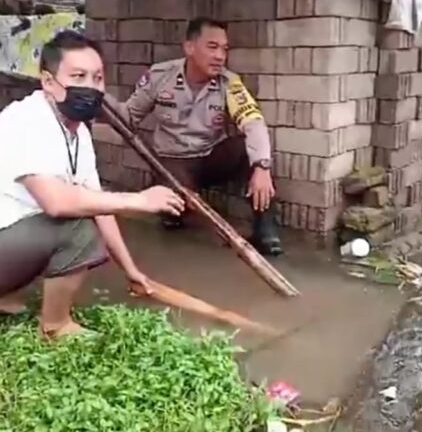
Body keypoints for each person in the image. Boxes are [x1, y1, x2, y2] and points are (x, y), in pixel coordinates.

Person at [0, 30, 184, 338]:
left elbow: (97, 201)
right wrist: (139, 200)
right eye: (78, 76)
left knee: (86, 211)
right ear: (48, 82)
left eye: (97, 78)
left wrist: (130, 271)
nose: (91, 87)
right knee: (75, 225)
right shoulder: (27, 121)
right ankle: (56, 326)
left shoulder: (77, 132)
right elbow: (57, 202)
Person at [106, 17, 283, 256]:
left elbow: (253, 122)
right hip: (172, 164)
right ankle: (175, 211)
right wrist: (101, 100)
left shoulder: (229, 83)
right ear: (189, 47)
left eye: (224, 49)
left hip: (209, 158)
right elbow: (128, 117)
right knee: (175, 206)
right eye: (212, 47)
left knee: (249, 150)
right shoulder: (160, 76)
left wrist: (262, 166)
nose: (220, 56)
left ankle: (265, 231)